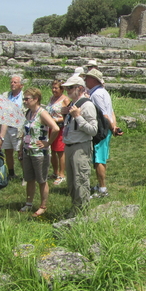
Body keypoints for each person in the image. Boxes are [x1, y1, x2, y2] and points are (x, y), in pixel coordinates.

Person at [18, 88, 59, 217]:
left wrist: (48, 143)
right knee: (29, 178)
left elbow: (56, 128)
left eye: (27, 99)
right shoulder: (28, 113)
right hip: (27, 150)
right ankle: (29, 203)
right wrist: (20, 148)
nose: (24, 101)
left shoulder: (42, 113)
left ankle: (43, 205)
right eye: (24, 99)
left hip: (40, 153)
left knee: (41, 179)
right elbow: (25, 132)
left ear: (36, 99)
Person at [61, 75, 98, 215]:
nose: (67, 90)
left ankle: (82, 212)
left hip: (80, 147)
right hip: (70, 145)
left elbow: (93, 130)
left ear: (80, 88)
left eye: (70, 87)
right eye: (66, 87)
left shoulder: (87, 105)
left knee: (80, 180)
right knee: (72, 182)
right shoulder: (72, 104)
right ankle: (75, 209)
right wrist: (66, 115)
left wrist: (78, 116)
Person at [83, 69, 119, 199]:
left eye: (87, 78)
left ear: (94, 80)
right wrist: (114, 127)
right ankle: (99, 185)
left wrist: (111, 127)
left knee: (99, 159)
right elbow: (111, 111)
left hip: (101, 130)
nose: (85, 80)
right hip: (106, 128)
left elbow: (104, 114)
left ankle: (103, 188)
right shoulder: (103, 92)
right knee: (100, 157)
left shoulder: (96, 94)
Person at [0, 75, 24, 179]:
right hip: (6, 126)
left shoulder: (24, 96)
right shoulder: (6, 95)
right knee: (7, 150)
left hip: (18, 127)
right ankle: (11, 174)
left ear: (21, 85)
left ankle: (26, 175)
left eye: (15, 82)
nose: (12, 84)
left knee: (20, 152)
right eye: (11, 82)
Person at [45, 80, 70, 186]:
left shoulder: (65, 100)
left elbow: (68, 116)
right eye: (53, 87)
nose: (54, 90)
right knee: (52, 151)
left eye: (56, 88)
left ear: (61, 89)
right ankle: (55, 172)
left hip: (60, 128)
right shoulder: (51, 99)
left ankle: (62, 174)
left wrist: (55, 120)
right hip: (50, 128)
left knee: (60, 151)